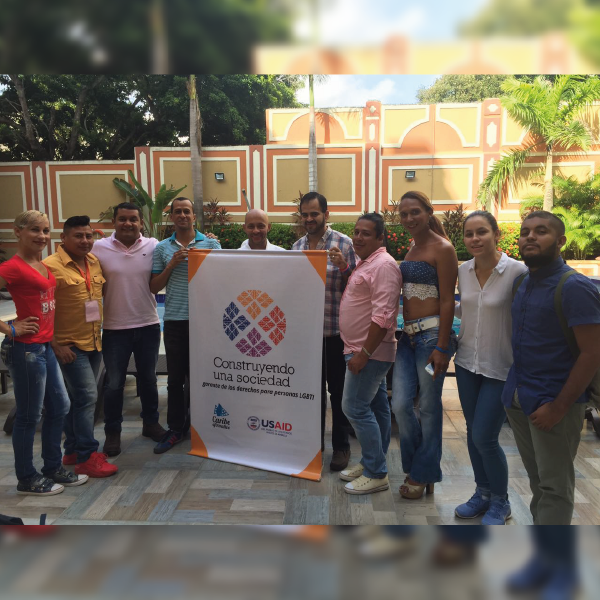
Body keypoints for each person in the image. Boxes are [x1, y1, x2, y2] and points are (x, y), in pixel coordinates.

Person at [502, 210, 600, 525]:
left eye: (541, 231)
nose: (530, 236)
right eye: (525, 232)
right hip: (519, 398)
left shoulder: (575, 287)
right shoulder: (521, 283)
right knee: (537, 481)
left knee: (555, 487)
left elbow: (592, 353)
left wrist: (558, 408)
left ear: (560, 241)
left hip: (555, 402)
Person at [0, 211, 87, 496]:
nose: (42, 236)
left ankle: (52, 467)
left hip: (45, 346)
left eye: (46, 230)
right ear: (18, 231)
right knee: (29, 415)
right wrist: (9, 328)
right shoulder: (12, 267)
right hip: (25, 349)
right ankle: (27, 477)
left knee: (60, 407)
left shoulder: (40, 263)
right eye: (35, 230)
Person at [453, 211, 527, 525]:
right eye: (469, 234)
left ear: (496, 234)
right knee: (473, 433)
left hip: (501, 366)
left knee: (485, 436)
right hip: (466, 362)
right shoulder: (463, 270)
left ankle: (501, 501)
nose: (474, 239)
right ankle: (482, 493)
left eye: (481, 232)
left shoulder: (517, 271)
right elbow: (467, 308)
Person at [391, 191, 458, 500]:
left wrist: (442, 347)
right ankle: (420, 466)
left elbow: (447, 301)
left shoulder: (443, 248)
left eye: (415, 212)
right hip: (407, 338)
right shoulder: (411, 248)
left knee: (429, 408)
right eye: (404, 214)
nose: (409, 218)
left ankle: (421, 473)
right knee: (400, 405)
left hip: (431, 338)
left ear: (429, 212)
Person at [43, 215, 118, 477]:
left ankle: (73, 449)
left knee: (77, 398)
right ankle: (87, 456)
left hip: (93, 341)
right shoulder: (49, 267)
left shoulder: (94, 262)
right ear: (63, 238)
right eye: (78, 236)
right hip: (69, 345)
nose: (85, 240)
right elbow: (42, 310)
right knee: (87, 398)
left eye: (88, 236)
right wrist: (55, 344)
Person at [92, 202, 167, 457]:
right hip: (115, 328)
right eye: (122, 219)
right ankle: (113, 431)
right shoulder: (98, 248)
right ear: (114, 222)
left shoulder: (153, 246)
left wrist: (208, 241)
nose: (128, 223)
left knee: (149, 379)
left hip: (148, 324)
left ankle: (151, 423)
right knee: (114, 384)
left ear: (141, 223)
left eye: (133, 219)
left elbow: (177, 253)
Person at [150, 197, 221, 453]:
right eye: (177, 212)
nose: (182, 215)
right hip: (175, 322)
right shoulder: (162, 248)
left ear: (194, 216)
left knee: (207, 379)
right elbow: (154, 287)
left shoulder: (211, 243)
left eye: (186, 211)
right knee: (175, 380)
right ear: (171, 216)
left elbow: (222, 279)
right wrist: (172, 264)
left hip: (204, 323)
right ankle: (176, 428)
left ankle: (207, 427)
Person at [292, 192, 357, 471]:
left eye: (314, 214)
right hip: (308, 336)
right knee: (311, 393)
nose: (309, 219)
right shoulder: (297, 247)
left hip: (336, 333)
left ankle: (341, 447)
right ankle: (313, 445)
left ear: (326, 215)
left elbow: (359, 286)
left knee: (338, 393)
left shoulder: (344, 243)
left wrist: (344, 267)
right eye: (305, 214)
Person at [338, 213, 402, 494]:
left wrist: (363, 353)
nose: (358, 237)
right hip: (361, 350)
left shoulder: (384, 265)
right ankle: (371, 462)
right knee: (376, 408)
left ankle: (376, 472)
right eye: (356, 232)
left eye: (366, 233)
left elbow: (383, 317)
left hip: (369, 353)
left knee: (354, 408)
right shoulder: (367, 262)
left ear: (380, 238)